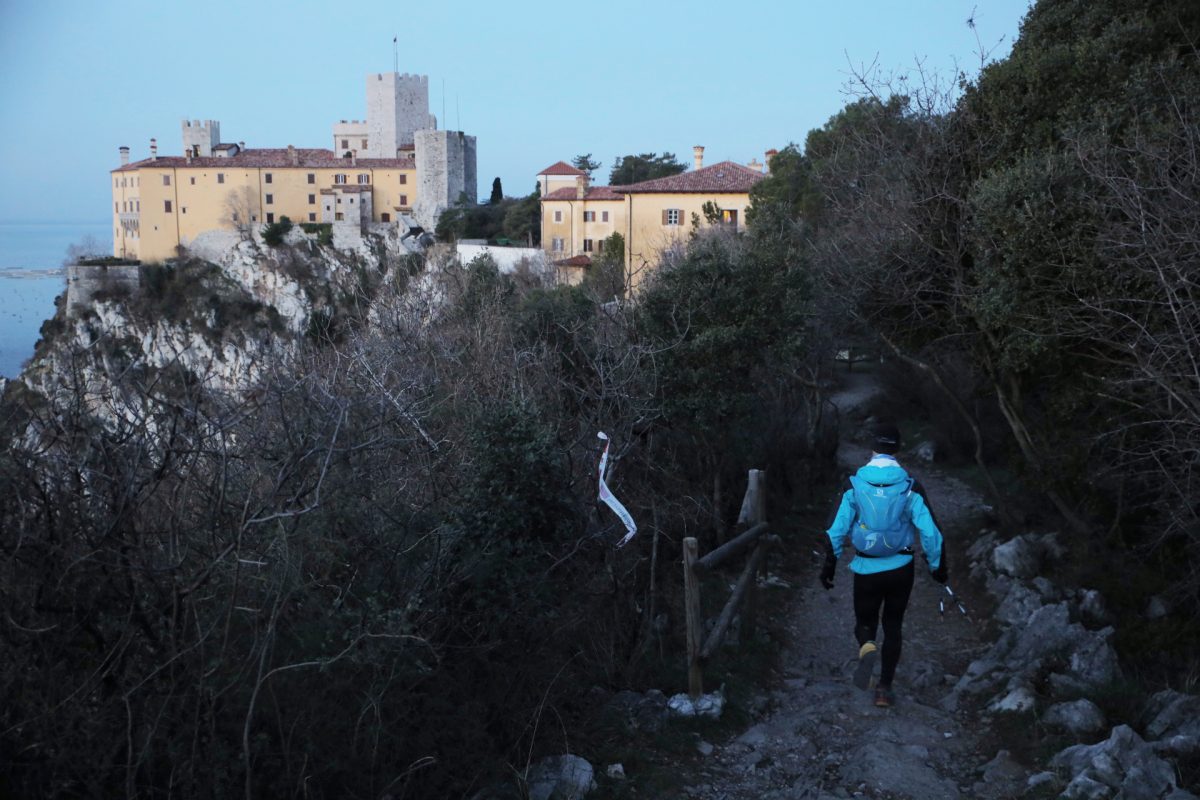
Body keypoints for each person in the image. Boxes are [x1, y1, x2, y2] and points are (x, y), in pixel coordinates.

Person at [820, 422, 947, 707]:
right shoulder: (910, 485)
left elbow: (835, 530)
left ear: (873, 448)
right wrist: (938, 567)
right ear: (898, 449)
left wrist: (829, 565)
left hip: (866, 568)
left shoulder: (854, 483)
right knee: (893, 626)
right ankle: (884, 689)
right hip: (900, 568)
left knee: (865, 623)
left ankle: (866, 646)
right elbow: (931, 532)